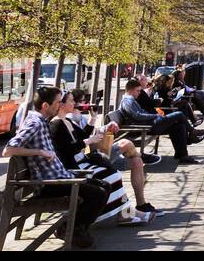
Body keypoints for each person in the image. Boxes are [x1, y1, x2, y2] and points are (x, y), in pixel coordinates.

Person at [3, 86, 110, 248]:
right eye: (57, 102)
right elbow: (8, 150)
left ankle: (74, 228)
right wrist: (39, 151)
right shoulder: (35, 123)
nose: (60, 105)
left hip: (61, 178)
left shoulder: (41, 121)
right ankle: (72, 229)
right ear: (46, 106)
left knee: (104, 186)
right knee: (98, 194)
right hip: (50, 185)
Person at [49, 91, 145, 225]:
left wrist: (93, 119)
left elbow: (83, 135)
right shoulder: (56, 124)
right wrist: (89, 141)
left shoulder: (66, 121)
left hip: (81, 161)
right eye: (71, 101)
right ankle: (122, 214)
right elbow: (68, 149)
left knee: (113, 173)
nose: (74, 103)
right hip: (74, 167)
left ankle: (124, 214)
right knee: (112, 175)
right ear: (61, 105)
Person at [119, 78, 195, 162]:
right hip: (147, 127)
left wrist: (154, 116)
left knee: (179, 126)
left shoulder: (130, 100)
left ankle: (182, 155)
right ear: (130, 90)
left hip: (148, 125)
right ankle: (192, 132)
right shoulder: (128, 101)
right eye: (137, 91)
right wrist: (155, 116)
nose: (139, 93)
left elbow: (140, 114)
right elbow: (138, 116)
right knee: (179, 114)